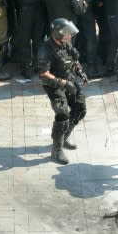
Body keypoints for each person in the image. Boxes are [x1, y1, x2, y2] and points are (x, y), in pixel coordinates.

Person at [36, 19, 88, 165]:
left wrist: (80, 71)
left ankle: (64, 138)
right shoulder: (45, 50)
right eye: (66, 33)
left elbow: (74, 59)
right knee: (63, 114)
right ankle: (56, 151)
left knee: (80, 108)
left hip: (69, 80)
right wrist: (63, 83)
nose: (69, 35)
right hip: (54, 85)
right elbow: (44, 74)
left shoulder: (66, 44)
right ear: (58, 34)